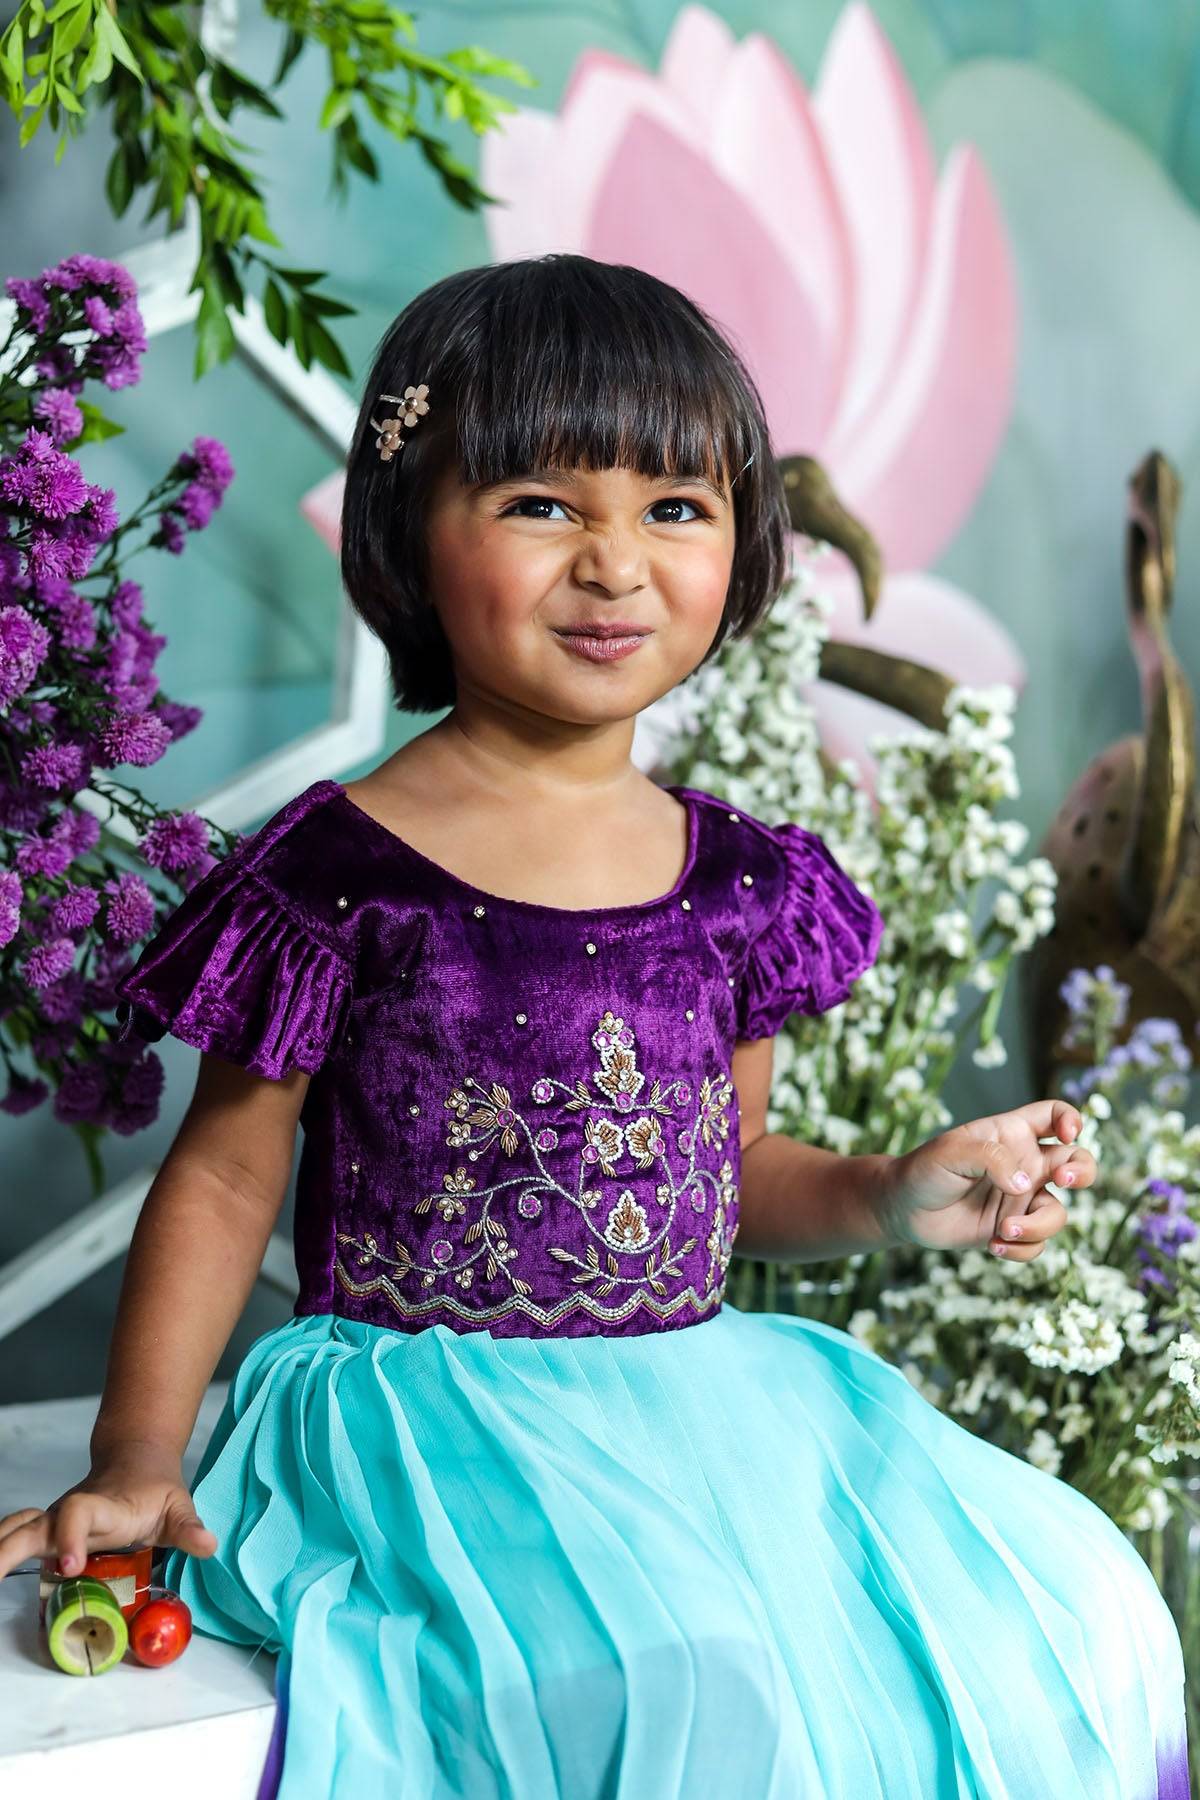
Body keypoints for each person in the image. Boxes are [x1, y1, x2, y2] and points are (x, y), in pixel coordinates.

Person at [0, 254, 1188, 1799]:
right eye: (544, 505)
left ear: (741, 550)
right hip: (423, 1414)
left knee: (1069, 1597)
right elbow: (225, 1182)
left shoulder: (743, 879)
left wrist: (898, 1191)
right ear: (411, 534)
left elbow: (735, 1165)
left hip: (702, 1393)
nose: (615, 564)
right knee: (680, 1678)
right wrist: (137, 1461)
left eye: (674, 509)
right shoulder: (339, 868)